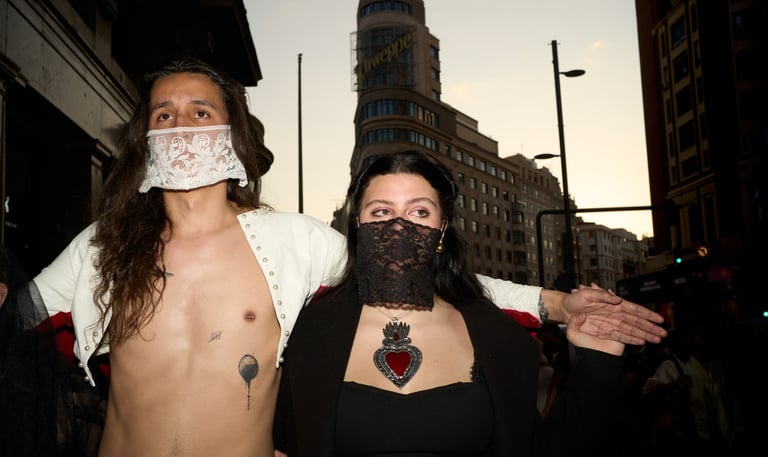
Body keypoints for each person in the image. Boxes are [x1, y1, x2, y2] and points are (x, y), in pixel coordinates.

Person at [3, 58, 664, 456]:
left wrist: (553, 302)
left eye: (201, 111)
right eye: (165, 114)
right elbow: (15, 315)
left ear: (231, 135)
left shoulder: (293, 243)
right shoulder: (102, 246)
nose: (183, 126)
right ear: (145, 137)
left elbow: (433, 274)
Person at [273, 150, 629, 456]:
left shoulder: (495, 335)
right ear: (356, 224)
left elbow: (545, 449)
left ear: (442, 229)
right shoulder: (308, 333)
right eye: (381, 212)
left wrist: (599, 365)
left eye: (419, 212)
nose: (399, 226)